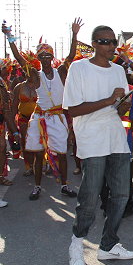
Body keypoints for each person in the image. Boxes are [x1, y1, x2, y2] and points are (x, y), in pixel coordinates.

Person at [63, 25, 133, 265]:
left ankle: (108, 245)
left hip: (116, 137)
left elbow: (119, 108)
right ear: (93, 43)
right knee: (90, 195)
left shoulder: (118, 70)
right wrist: (108, 100)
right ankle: (77, 242)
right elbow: (73, 109)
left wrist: (123, 104)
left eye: (113, 41)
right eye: (105, 41)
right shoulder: (79, 68)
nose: (110, 46)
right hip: (91, 138)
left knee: (121, 195)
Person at [3, 18, 81, 200]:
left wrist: (74, 34)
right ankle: (37, 187)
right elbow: (18, 58)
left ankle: (64, 186)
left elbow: (71, 55)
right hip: (39, 119)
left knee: (62, 154)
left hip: (57, 118)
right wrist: (9, 37)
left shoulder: (61, 71)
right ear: (38, 59)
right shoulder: (35, 75)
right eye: (42, 57)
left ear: (52, 58)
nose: (45, 59)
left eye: (48, 56)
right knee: (39, 155)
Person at [11, 70, 37, 176]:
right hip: (24, 118)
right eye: (27, 71)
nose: (29, 74)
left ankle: (40, 163)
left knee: (38, 141)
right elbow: (14, 106)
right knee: (25, 142)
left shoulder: (40, 86)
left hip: (37, 119)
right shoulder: (19, 87)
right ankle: (29, 166)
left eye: (31, 71)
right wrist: (11, 124)